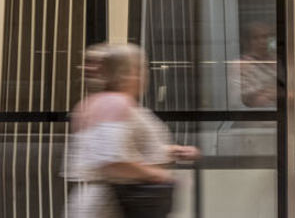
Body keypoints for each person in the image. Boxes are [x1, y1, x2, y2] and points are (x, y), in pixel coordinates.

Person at [67, 42, 200, 218]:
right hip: (112, 205)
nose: (145, 75)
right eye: (140, 68)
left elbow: (123, 148)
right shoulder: (114, 103)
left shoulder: (102, 102)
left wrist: (171, 151)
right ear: (125, 73)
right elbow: (111, 161)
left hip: (110, 201)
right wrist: (158, 175)